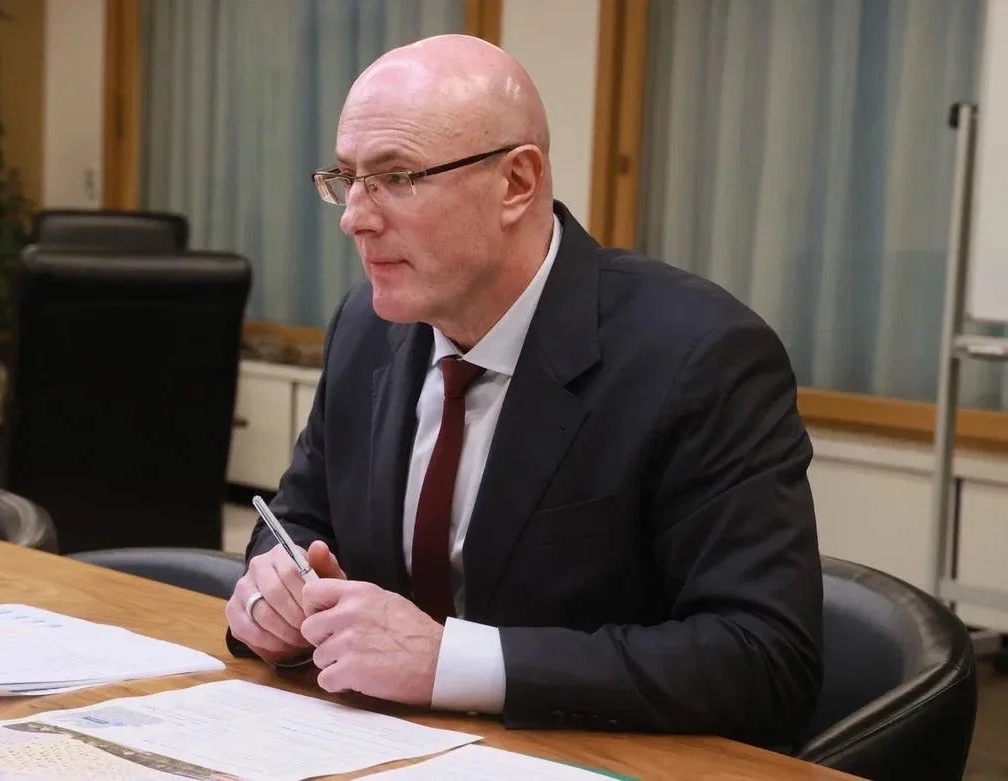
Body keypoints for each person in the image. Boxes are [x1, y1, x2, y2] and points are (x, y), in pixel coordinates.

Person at [225, 33, 823, 749]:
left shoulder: (699, 356)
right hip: (369, 746)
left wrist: (452, 663)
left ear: (516, 183)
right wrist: (274, 594)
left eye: (396, 176)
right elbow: (293, 520)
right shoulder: (368, 326)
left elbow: (763, 658)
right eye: (347, 178)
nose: (355, 215)